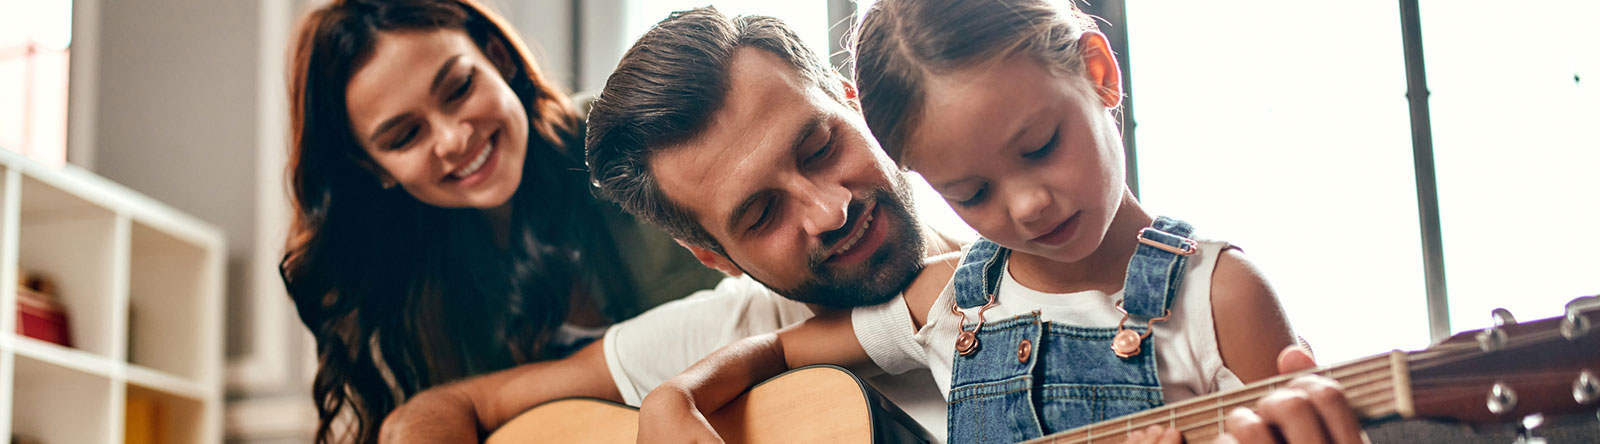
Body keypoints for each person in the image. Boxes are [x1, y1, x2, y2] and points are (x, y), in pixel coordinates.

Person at [636, 2, 1368, 444]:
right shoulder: (950, 298)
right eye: (972, 191)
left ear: (1100, 73)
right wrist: (679, 398)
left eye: (1041, 147)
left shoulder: (1223, 296)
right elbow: (774, 352)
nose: (1025, 206)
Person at [278, 1, 724, 442]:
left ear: (498, 56)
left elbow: (764, 313)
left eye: (458, 89)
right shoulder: (404, 295)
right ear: (372, 168)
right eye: (405, 136)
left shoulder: (637, 143)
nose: (453, 139)